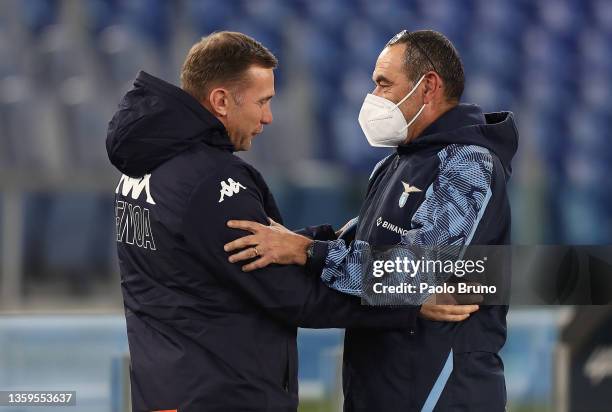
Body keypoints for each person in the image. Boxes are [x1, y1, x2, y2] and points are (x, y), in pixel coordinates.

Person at [106, 31, 476, 412]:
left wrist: (314, 244)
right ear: (220, 100)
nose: (267, 117)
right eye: (262, 101)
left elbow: (220, 254)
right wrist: (406, 303)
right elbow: (291, 296)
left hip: (164, 387)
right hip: (223, 393)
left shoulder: (139, 170)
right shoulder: (211, 182)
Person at [225, 30, 518, 411]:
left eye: (383, 84)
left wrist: (309, 252)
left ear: (428, 87)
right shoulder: (396, 162)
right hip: (381, 386)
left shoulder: (467, 164)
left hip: (440, 391)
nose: (373, 97)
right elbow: (358, 243)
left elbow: (413, 273)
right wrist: (289, 242)